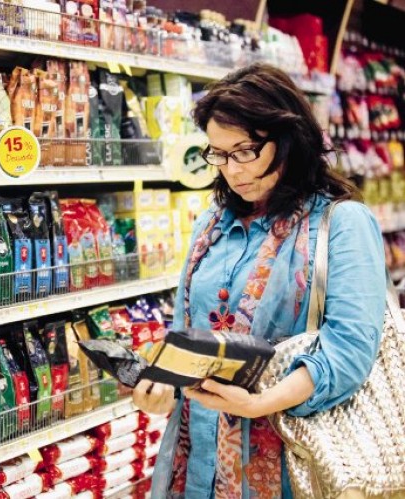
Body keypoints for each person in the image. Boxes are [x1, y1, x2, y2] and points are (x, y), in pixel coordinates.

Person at [134, 63, 386, 498]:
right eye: (218, 153)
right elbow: (185, 336)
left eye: (245, 151)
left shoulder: (342, 223)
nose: (232, 170)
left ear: (288, 140)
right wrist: (159, 385)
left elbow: (349, 350)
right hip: (198, 460)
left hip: (289, 460)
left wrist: (258, 404)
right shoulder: (211, 224)